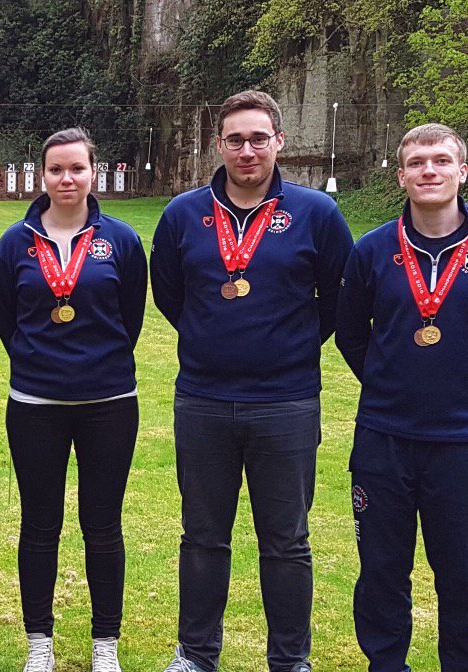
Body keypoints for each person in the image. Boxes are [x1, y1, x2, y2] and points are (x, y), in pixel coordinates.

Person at [150, 91, 351, 672]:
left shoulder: (316, 213)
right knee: (203, 536)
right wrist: (214, 338)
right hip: (204, 399)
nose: (247, 150)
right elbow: (169, 293)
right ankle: (196, 655)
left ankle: (290, 660)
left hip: (286, 402)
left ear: (279, 143)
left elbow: (340, 297)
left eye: (258, 138)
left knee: (286, 542)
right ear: (219, 144)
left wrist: (287, 346)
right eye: (235, 139)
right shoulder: (183, 214)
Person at [334, 123, 468, 672]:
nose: (430, 170)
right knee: (380, 573)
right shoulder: (372, 250)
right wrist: (388, 384)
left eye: (442, 161)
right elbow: (352, 334)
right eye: (418, 162)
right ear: (401, 176)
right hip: (384, 440)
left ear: (462, 171)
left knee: (462, 578)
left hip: (464, 443)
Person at [0, 128, 147, 672]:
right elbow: (8, 321)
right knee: (39, 524)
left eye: (76, 168)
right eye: (56, 169)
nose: (66, 178)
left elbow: (130, 320)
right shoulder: (14, 243)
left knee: (102, 524)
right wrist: (43, 365)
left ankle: (106, 643)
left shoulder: (121, 240)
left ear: (92, 173)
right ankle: (40, 643)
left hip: (109, 402)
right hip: (35, 403)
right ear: (42, 176)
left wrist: (93, 366)